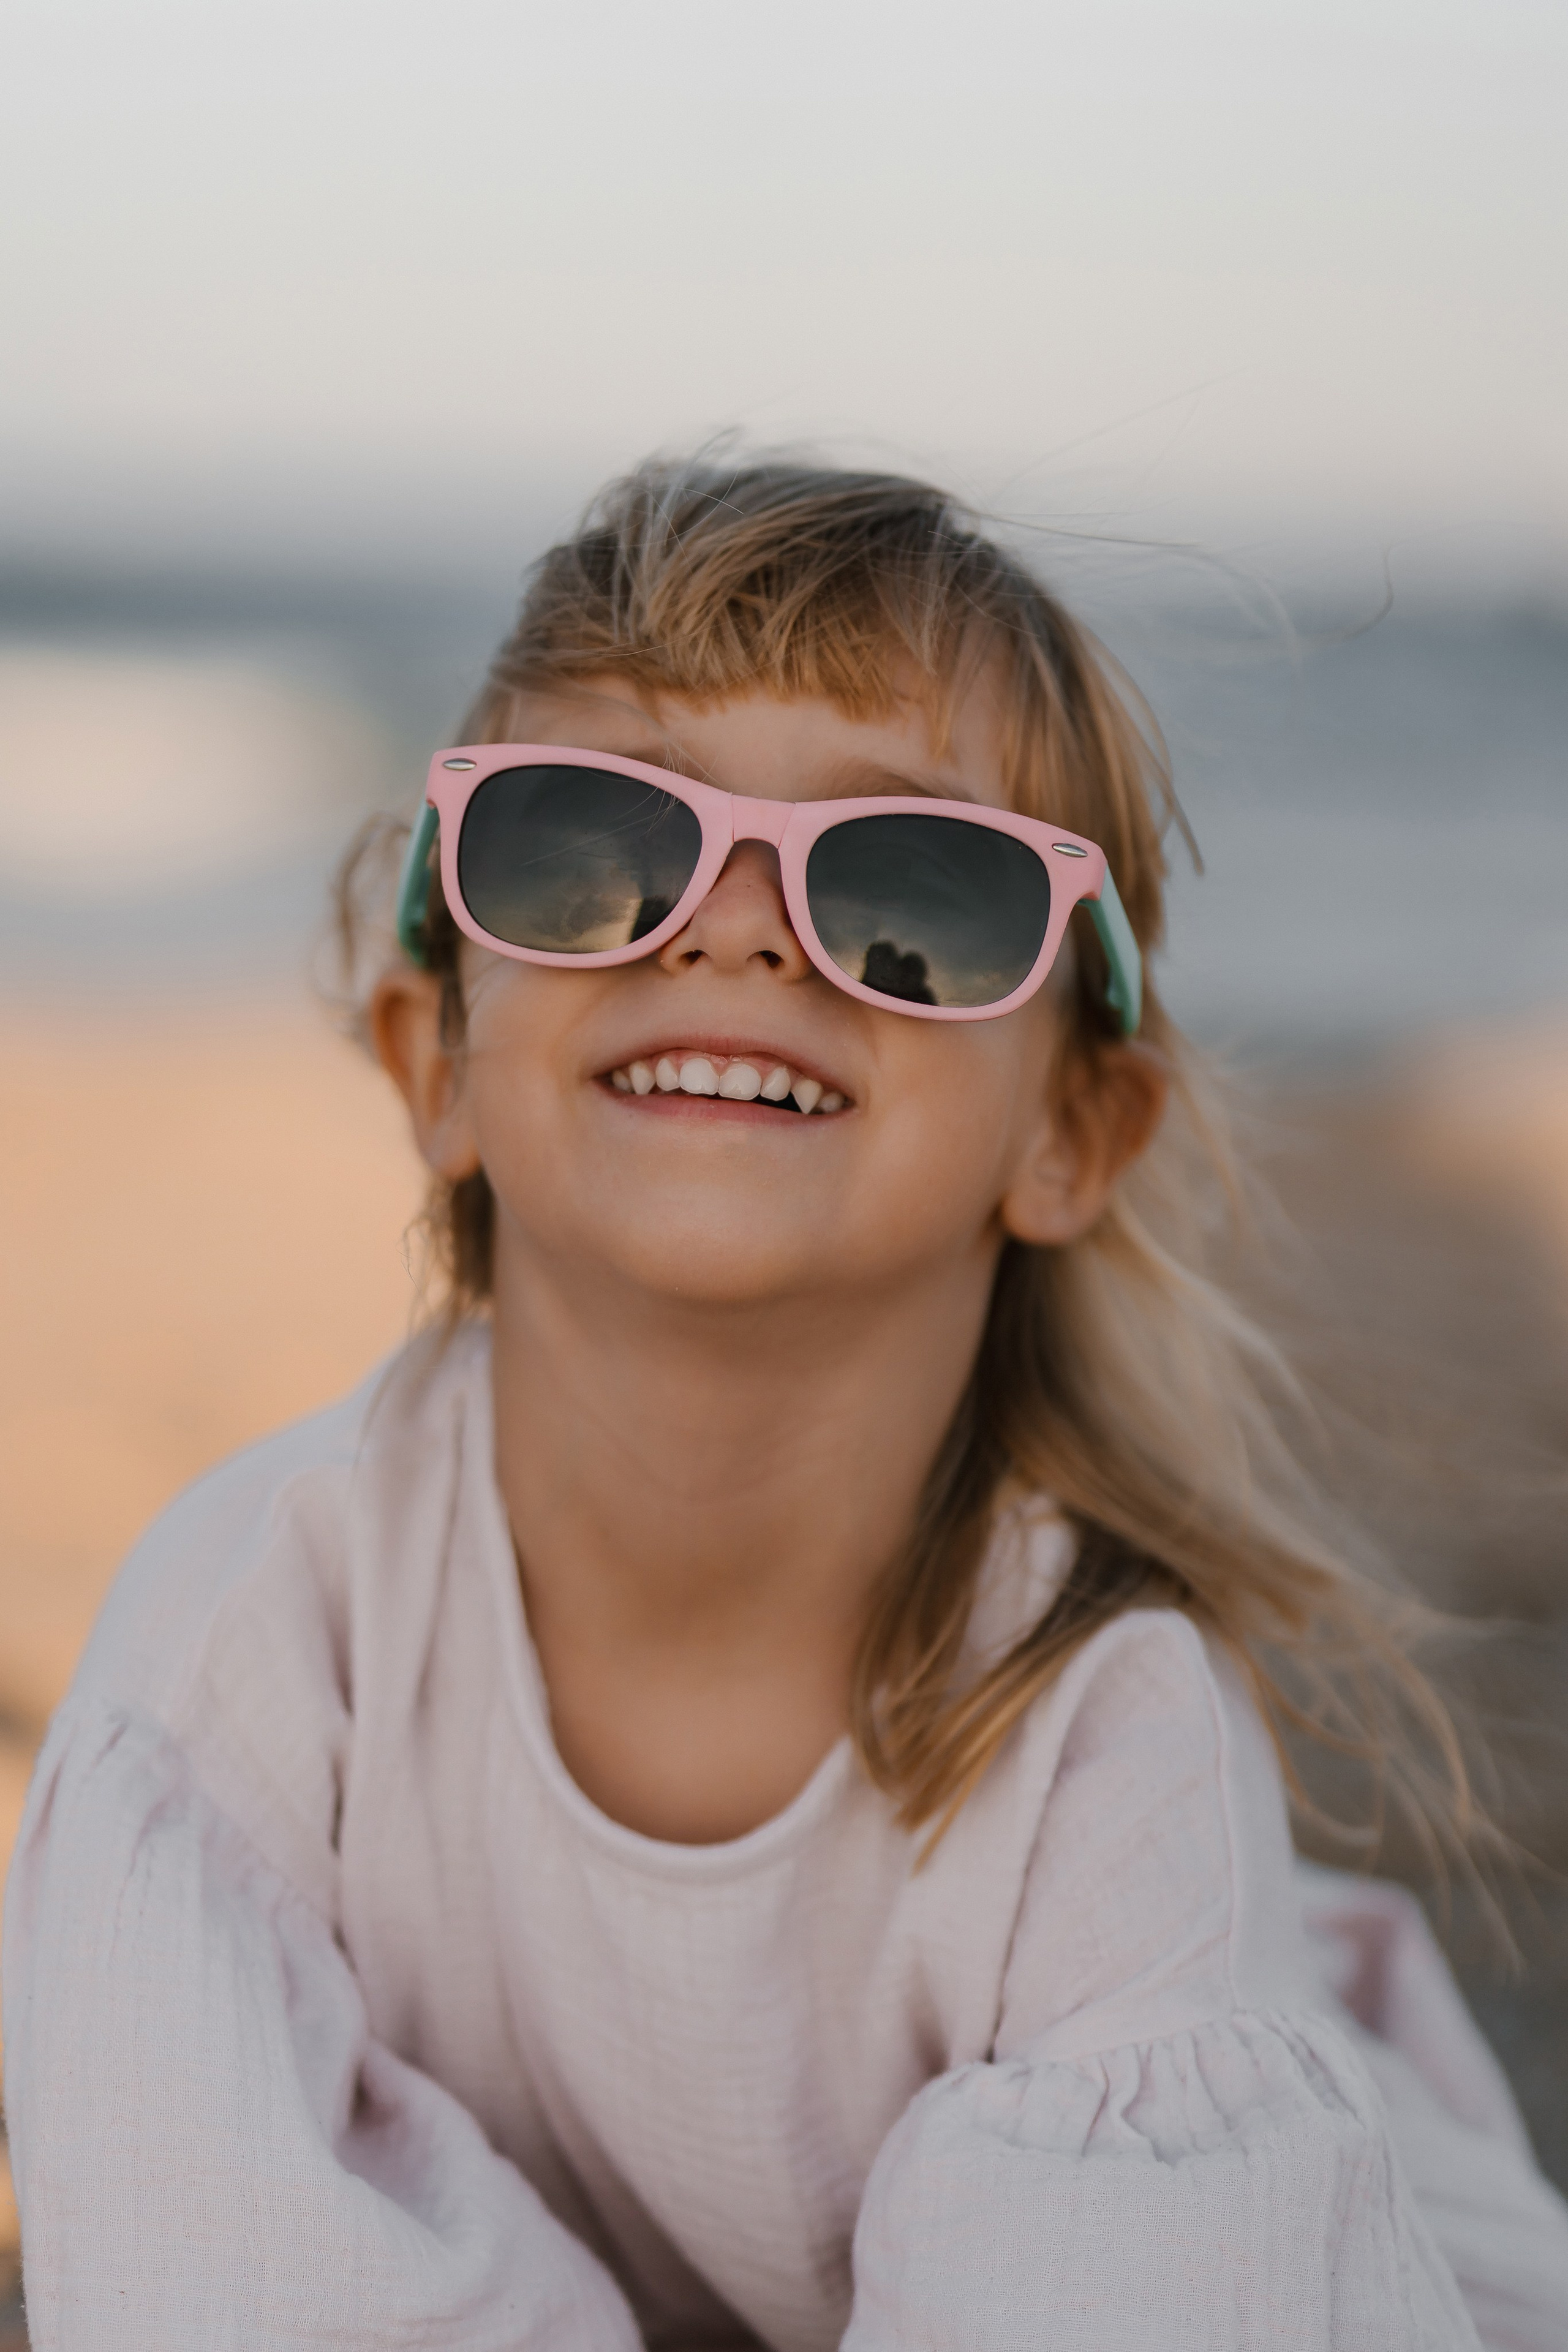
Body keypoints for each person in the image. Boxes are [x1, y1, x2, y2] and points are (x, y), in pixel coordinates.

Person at [6, 457, 1567, 2351]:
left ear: (1075, 1130)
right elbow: (215, 2267)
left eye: (914, 894)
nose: (737, 929)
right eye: (589, 847)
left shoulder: (1099, 1734)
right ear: (440, 1064)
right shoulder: (253, 1642)